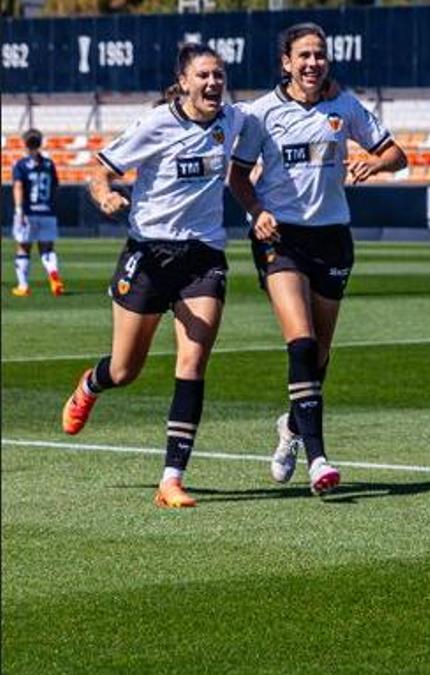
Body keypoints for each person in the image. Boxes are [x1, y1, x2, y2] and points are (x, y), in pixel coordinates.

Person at [61, 43, 254, 509]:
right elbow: (99, 170)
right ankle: (92, 384)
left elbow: (286, 108)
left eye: (219, 74)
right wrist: (105, 196)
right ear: (184, 81)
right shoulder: (157, 123)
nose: (213, 83)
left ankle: (171, 479)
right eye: (203, 75)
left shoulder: (235, 120)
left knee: (192, 365)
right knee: (125, 369)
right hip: (148, 255)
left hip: (203, 257)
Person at [228, 22, 408, 496]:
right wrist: (256, 211)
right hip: (280, 238)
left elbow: (397, 154)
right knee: (302, 342)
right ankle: (318, 458)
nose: (313, 63)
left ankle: (291, 425)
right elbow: (238, 177)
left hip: (332, 238)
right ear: (286, 63)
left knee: (321, 353)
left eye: (319, 55)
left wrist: (377, 161)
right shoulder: (261, 114)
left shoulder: (344, 107)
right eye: (304, 56)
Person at [10, 129, 64, 297]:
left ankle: (23, 286)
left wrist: (19, 210)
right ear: (40, 143)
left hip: (28, 212)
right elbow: (55, 187)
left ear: (25, 144)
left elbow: (18, 186)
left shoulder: (21, 164)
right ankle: (54, 275)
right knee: (47, 249)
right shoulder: (49, 164)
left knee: (23, 248)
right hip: (47, 212)